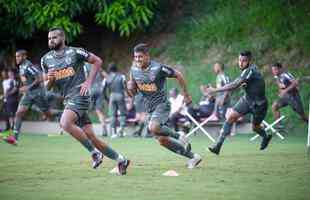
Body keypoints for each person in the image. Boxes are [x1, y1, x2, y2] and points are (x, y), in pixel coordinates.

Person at [41, 27, 130, 174]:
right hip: (68, 99)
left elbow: (97, 61)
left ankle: (94, 153)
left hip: (80, 95)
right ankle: (121, 160)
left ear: (63, 38)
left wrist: (88, 82)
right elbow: (47, 87)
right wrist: (50, 80)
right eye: (49, 38)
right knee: (92, 137)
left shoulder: (75, 52)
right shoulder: (45, 60)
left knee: (65, 123)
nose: (51, 40)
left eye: (54, 37)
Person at [127, 43, 202, 169]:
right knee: (162, 140)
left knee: (153, 127)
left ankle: (180, 135)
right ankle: (193, 157)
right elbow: (133, 93)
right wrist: (130, 88)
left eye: (140, 56)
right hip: (149, 108)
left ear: (147, 56)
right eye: (135, 57)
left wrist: (186, 94)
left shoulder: (158, 68)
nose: (137, 59)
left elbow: (178, 75)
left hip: (162, 105)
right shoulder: (133, 70)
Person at [205, 51, 272, 155]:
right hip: (247, 100)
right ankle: (218, 145)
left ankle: (265, 136)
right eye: (239, 60)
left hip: (259, 104)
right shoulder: (245, 71)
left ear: (249, 61)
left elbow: (235, 84)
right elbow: (236, 84)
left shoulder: (250, 70)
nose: (241, 63)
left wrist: (215, 90)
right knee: (231, 117)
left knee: (255, 127)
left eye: (244, 61)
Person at [13, 49, 53, 143]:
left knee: (49, 114)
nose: (16, 58)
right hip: (28, 94)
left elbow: (39, 78)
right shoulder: (21, 66)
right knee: (19, 113)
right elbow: (26, 79)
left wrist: (28, 87)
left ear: (24, 57)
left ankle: (67, 115)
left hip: (37, 93)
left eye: (18, 56)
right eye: (16, 56)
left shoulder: (28, 65)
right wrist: (24, 88)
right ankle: (15, 138)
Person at [83, 62, 108, 136]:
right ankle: (104, 129)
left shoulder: (85, 66)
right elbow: (106, 76)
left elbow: (84, 77)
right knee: (99, 111)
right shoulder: (97, 66)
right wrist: (103, 84)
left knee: (85, 110)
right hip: (100, 90)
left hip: (91, 91)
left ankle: (85, 130)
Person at [106, 63, 127, 138]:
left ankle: (113, 133)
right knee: (122, 113)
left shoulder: (107, 77)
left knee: (113, 115)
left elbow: (103, 89)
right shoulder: (122, 76)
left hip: (112, 96)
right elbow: (125, 87)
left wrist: (107, 98)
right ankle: (122, 131)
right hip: (120, 94)